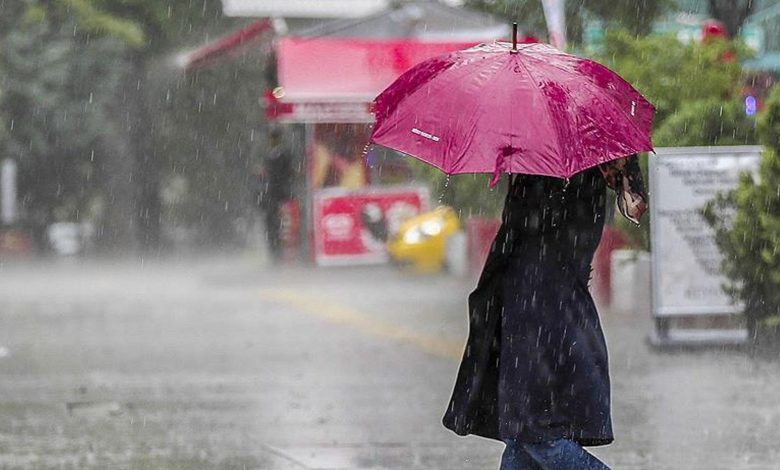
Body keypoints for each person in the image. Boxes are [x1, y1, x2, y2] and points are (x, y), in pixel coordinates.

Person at [442, 156, 647, 470]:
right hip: (551, 306)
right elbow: (628, 207)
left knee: (534, 431)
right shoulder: (588, 160)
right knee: (521, 436)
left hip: (538, 307)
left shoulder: (549, 165)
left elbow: (532, 229)